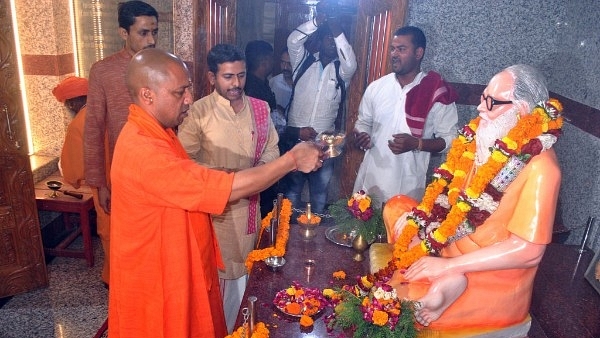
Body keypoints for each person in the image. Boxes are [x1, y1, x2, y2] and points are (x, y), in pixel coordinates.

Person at [109, 48, 322, 337]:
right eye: (179, 92)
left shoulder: (158, 131)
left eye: (189, 90)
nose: (188, 99)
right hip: (159, 279)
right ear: (148, 95)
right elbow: (221, 186)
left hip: (182, 262)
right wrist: (292, 160)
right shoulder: (144, 150)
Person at [386, 64, 562, 336]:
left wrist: (450, 266)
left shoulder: (541, 168)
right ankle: (437, 279)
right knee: (396, 206)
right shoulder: (480, 142)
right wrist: (420, 221)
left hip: (489, 275)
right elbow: (449, 198)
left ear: (523, 112)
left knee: (398, 304)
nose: (480, 109)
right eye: (483, 98)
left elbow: (529, 251)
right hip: (447, 243)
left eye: (491, 103)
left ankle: (443, 288)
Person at [177, 43, 280, 333]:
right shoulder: (199, 112)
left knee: (248, 273)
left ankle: (244, 329)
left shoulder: (260, 109)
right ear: (212, 78)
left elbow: (272, 150)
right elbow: (184, 162)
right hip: (215, 215)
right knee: (220, 279)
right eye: (228, 77)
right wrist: (223, 176)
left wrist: (255, 174)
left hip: (249, 208)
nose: (236, 84)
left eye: (241, 76)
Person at [83, 0, 158, 284]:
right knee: (122, 240)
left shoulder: (163, 66)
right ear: (123, 33)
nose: (151, 40)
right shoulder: (103, 71)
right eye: (143, 33)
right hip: (121, 172)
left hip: (159, 169)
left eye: (154, 32)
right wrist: (100, 183)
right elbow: (93, 129)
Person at [352, 26, 458, 207]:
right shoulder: (377, 87)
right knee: (363, 232)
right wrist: (362, 136)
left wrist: (417, 144)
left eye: (401, 49)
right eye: (392, 49)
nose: (394, 54)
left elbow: (451, 140)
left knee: (400, 234)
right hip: (370, 180)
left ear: (418, 53)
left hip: (408, 185)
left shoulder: (436, 92)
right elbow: (363, 123)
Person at [283, 0, 357, 214]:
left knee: (319, 194)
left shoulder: (342, 72)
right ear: (320, 39)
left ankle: (316, 235)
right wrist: (318, 21)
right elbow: (294, 40)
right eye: (328, 37)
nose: (332, 43)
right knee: (293, 191)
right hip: (295, 140)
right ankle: (287, 233)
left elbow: (351, 63)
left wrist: (336, 28)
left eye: (335, 40)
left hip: (324, 147)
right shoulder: (303, 62)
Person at [243, 40, 283, 218]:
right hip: (258, 153)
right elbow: (264, 126)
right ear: (265, 60)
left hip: (268, 150)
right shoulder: (253, 88)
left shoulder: (261, 83)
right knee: (264, 205)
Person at [52, 76, 88, 187]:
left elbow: (73, 172)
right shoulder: (106, 111)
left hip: (102, 188)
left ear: (71, 105)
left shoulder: (77, 124)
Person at [269, 48, 293, 134]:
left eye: (289, 63)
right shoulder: (274, 82)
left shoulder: (304, 85)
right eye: (283, 62)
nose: (285, 67)